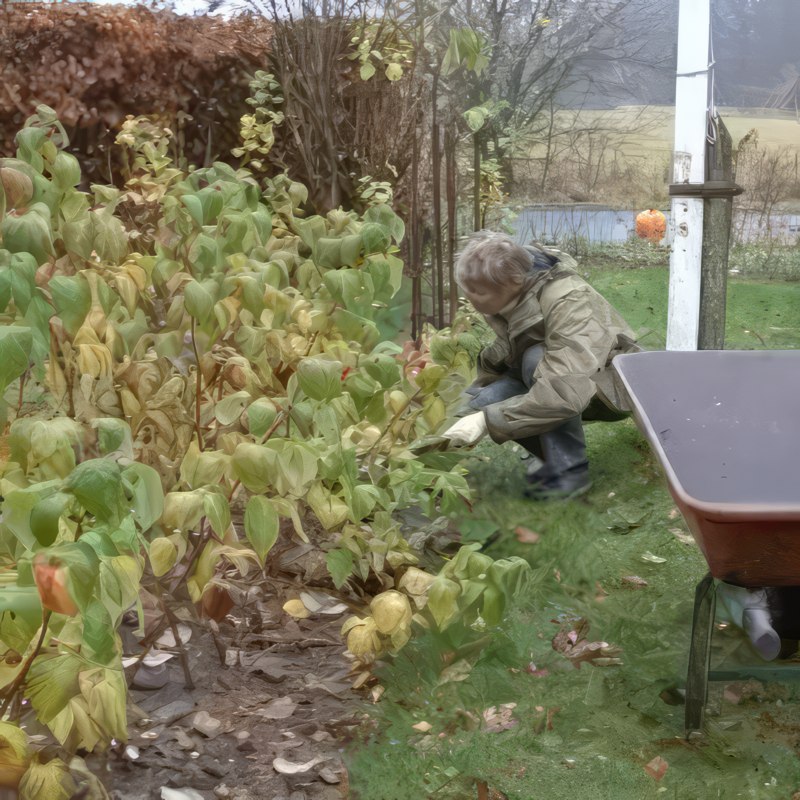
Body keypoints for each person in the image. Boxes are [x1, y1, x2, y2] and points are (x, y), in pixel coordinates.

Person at [442, 231, 640, 500]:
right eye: (466, 289)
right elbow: (506, 353)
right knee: (487, 399)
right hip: (557, 376)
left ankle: (569, 473)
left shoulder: (569, 300)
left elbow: (564, 391)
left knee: (535, 361)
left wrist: (486, 420)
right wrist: (470, 406)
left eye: (477, 291)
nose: (470, 297)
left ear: (513, 282)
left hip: (609, 385)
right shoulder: (512, 292)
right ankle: (549, 457)